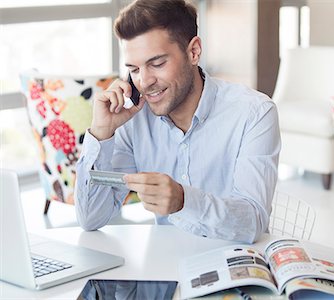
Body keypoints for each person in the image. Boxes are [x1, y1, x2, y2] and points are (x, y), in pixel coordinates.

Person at [75, 0, 280, 243]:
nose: (144, 81)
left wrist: (185, 201)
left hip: (236, 263)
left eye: (157, 63)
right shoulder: (134, 119)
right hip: (166, 267)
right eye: (134, 69)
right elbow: (91, 219)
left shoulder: (254, 113)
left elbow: (253, 222)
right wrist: (101, 133)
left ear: (193, 52)